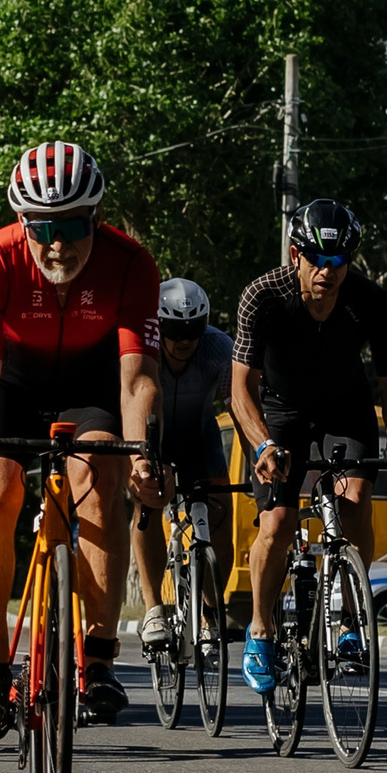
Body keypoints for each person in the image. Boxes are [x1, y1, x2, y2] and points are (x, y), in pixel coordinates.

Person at [0, 140, 161, 737]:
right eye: (42, 229)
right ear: (23, 223)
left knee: (100, 482)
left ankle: (97, 654)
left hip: (90, 382)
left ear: (95, 216)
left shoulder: (129, 264)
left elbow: (138, 379)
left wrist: (145, 450)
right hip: (11, 383)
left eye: (72, 225)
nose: (57, 244)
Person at [229, 199, 387, 692]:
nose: (326, 272)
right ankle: (261, 631)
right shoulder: (262, 297)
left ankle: (353, 622)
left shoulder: (370, 302)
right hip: (280, 411)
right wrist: (263, 444)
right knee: (278, 520)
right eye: (316, 259)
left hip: (345, 407)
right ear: (296, 254)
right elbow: (239, 389)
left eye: (338, 262)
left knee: (356, 501)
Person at [137, 277, 233, 657]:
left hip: (200, 438)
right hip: (152, 436)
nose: (184, 340)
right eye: (174, 330)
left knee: (220, 513)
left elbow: (237, 405)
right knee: (147, 508)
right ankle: (153, 610)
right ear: (159, 327)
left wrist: (260, 454)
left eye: (193, 329)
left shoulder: (218, 349)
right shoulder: (143, 349)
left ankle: (211, 609)